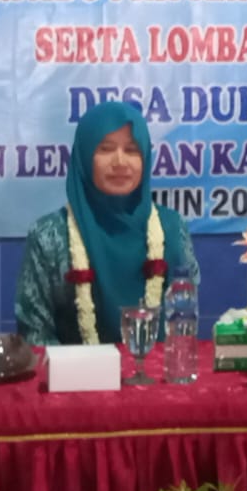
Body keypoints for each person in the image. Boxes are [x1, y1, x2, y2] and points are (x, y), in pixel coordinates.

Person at [15, 100, 198, 345]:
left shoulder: (172, 228)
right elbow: (35, 335)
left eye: (131, 150)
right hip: (74, 370)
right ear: (84, 156)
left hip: (158, 369)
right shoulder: (50, 235)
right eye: (105, 149)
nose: (120, 162)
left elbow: (185, 324)